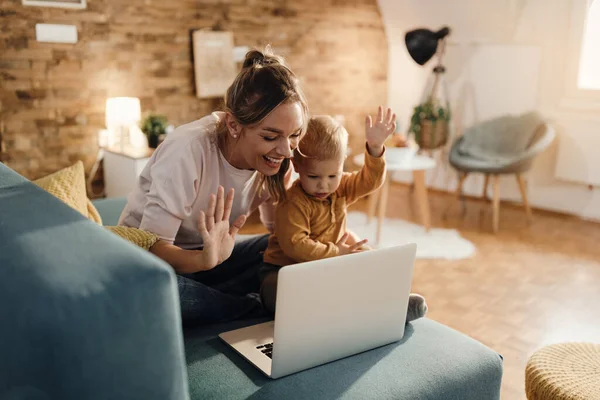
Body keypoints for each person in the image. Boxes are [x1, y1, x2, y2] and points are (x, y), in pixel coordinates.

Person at [118, 48, 309, 325]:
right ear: (233, 125)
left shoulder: (278, 160)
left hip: (213, 257)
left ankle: (217, 297)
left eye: (294, 135)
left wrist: (326, 237)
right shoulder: (187, 150)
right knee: (157, 294)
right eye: (270, 136)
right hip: (151, 265)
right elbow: (152, 252)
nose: (287, 150)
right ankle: (248, 307)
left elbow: (276, 233)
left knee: (283, 246)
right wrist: (202, 261)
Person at [259, 109, 428, 321]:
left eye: (333, 175)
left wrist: (375, 149)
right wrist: (336, 252)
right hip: (284, 272)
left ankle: (393, 304)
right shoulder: (292, 202)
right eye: (313, 176)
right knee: (287, 296)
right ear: (296, 166)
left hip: (326, 266)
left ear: (341, 167)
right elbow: (296, 245)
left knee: (367, 256)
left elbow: (369, 181)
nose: (324, 184)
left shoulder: (339, 188)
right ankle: (355, 308)